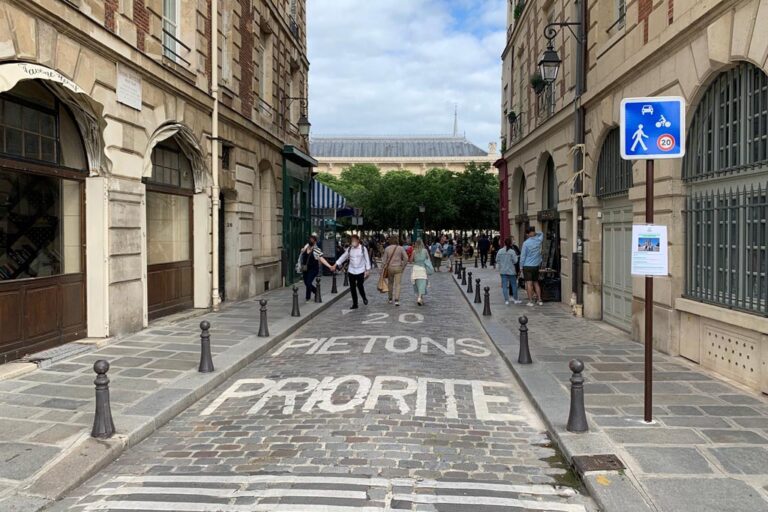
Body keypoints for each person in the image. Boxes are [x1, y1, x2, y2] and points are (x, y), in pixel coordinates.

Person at [333, 234, 371, 310]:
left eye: (354, 241)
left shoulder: (363, 249)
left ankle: (364, 298)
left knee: (360, 286)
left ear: (358, 241)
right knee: (352, 288)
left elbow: (367, 259)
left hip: (360, 270)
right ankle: (355, 303)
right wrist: (336, 264)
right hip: (351, 270)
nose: (353, 242)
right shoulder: (350, 249)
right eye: (352, 241)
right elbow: (343, 257)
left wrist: (367, 270)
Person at [297, 235, 334, 301]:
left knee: (308, 282)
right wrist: (302, 251)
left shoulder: (316, 249)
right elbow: (301, 256)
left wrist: (329, 266)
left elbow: (321, 259)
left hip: (313, 269)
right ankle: (313, 294)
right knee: (306, 283)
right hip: (305, 268)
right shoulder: (306, 247)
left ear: (315, 241)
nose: (310, 240)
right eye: (310, 239)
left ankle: (311, 295)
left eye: (312, 240)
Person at [520, 226, 544, 306]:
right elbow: (542, 233)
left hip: (527, 266)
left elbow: (523, 256)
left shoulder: (526, 243)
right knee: (536, 283)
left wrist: (520, 267)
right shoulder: (538, 240)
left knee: (529, 284)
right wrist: (536, 233)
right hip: (536, 266)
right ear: (533, 232)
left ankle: (530, 301)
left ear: (527, 234)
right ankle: (539, 300)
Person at [382, 236, 408, 306]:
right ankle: (397, 300)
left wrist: (382, 269)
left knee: (390, 283)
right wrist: (403, 266)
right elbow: (406, 258)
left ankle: (390, 299)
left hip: (390, 268)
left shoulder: (387, 248)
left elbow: (384, 260)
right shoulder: (400, 248)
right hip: (398, 267)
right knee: (398, 284)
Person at [496, 237, 521, 305]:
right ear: (510, 243)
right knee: (514, 285)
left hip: (503, 271)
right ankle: (515, 299)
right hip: (511, 271)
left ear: (504, 243)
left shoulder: (500, 251)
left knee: (504, 286)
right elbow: (515, 261)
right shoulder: (512, 251)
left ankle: (506, 300)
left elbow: (497, 260)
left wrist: (502, 263)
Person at [410, 239, 430, 306]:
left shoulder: (414, 251)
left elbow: (410, 260)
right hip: (422, 268)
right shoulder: (425, 251)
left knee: (418, 284)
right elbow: (428, 259)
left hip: (416, 269)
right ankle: (419, 298)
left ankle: (421, 299)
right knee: (422, 284)